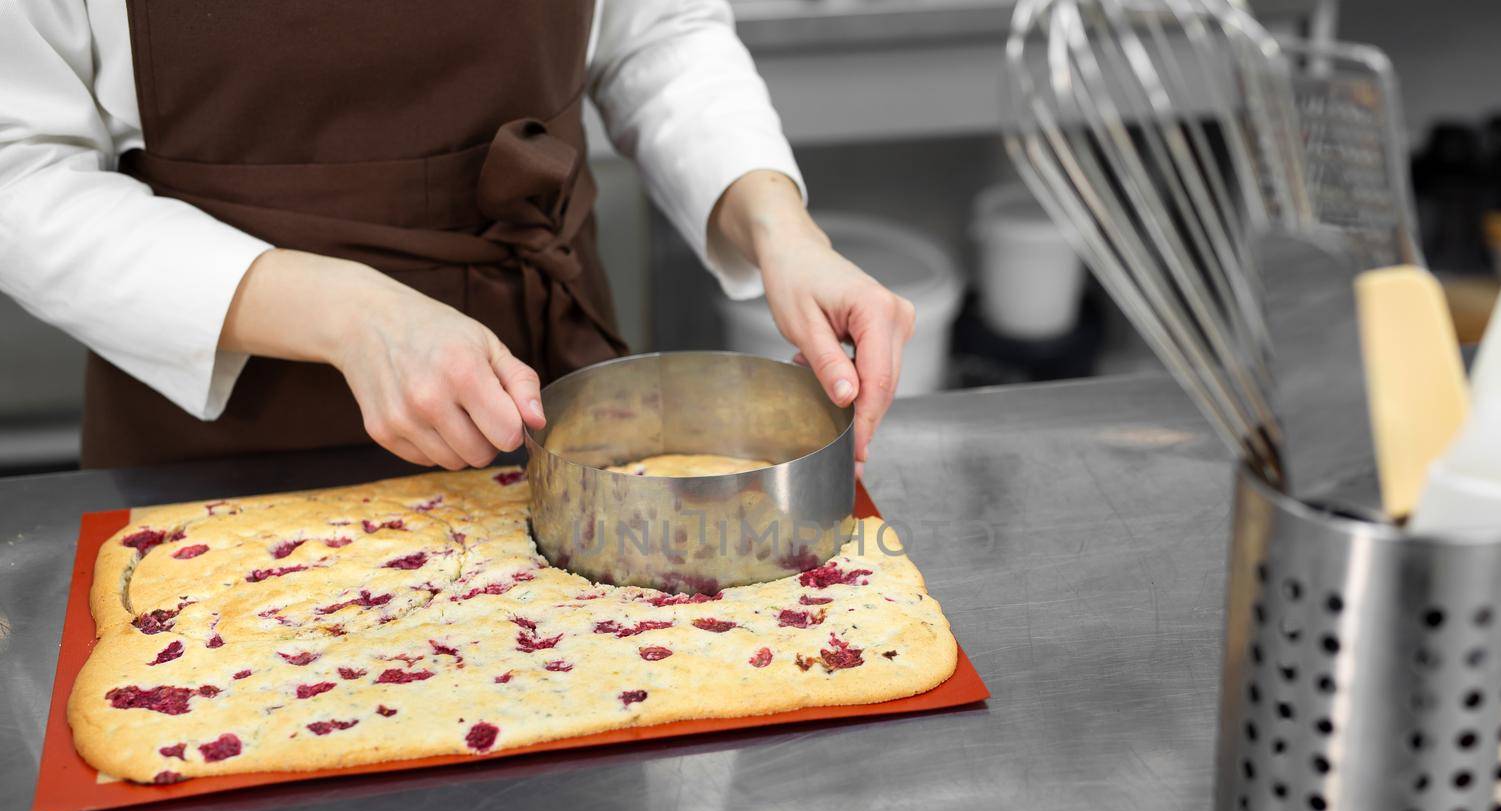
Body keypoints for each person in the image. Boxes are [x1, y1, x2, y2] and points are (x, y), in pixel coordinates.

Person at [0, 0, 914, 470]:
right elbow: (20, 168)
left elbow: (651, 32)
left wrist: (779, 227)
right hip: (217, 447)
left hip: (547, 432)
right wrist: (346, 312)